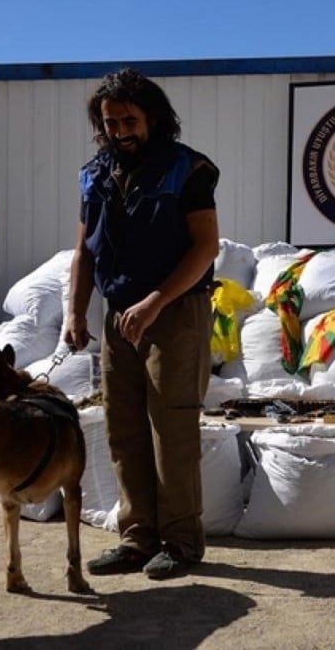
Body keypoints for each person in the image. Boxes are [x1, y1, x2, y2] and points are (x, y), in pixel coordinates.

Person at [63, 68, 220, 580]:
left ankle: (180, 543)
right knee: (122, 429)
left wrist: (156, 300)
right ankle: (137, 539)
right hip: (118, 318)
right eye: (109, 122)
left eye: (129, 120)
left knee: (171, 431)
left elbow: (205, 246)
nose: (119, 131)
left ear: (152, 117)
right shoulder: (95, 174)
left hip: (175, 313)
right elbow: (85, 252)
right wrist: (75, 311)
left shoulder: (188, 170)